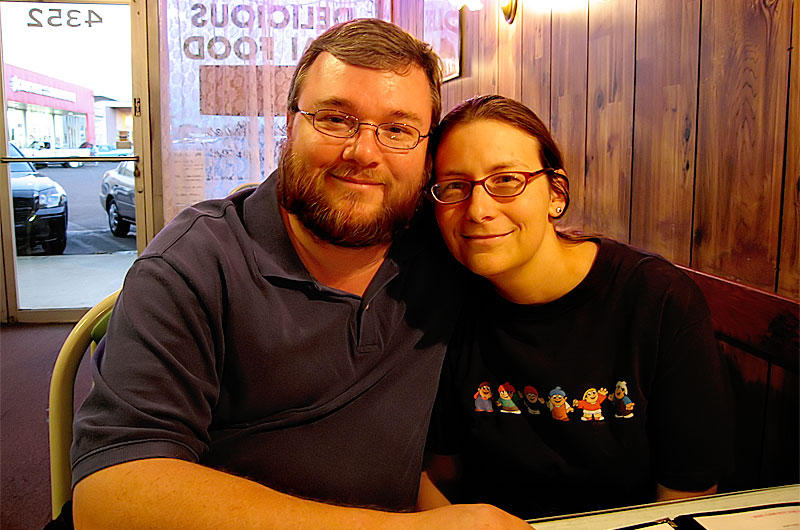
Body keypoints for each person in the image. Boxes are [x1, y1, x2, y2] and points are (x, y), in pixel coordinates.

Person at [69, 21, 530, 530]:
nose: (364, 152)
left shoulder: (447, 243)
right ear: (291, 124)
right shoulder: (195, 263)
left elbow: (552, 260)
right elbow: (109, 498)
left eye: (398, 130)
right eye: (335, 119)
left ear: (426, 151)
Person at [424, 95, 733, 519]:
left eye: (507, 180)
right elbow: (436, 472)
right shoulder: (445, 302)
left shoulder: (656, 299)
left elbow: (688, 493)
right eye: (456, 186)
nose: (478, 210)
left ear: (556, 193)